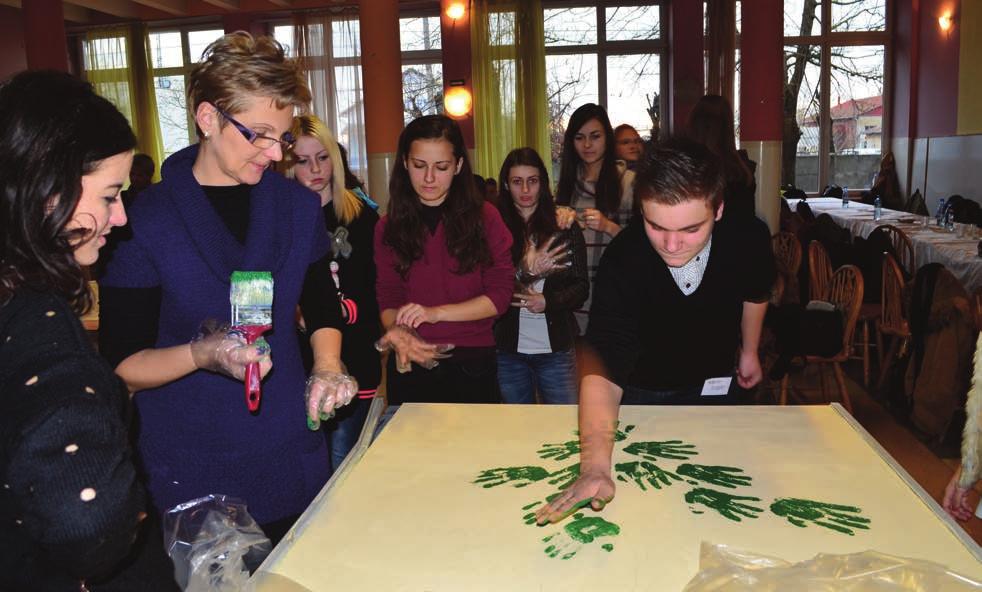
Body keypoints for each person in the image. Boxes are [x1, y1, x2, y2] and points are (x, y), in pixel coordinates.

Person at [99, 32, 356, 544]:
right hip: (192, 466)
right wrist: (201, 355)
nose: (273, 153)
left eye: (282, 137)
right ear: (208, 118)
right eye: (257, 133)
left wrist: (327, 367)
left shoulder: (296, 207)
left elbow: (322, 305)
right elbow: (122, 364)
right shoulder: (143, 221)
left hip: (289, 449)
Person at [536, 139, 776, 524]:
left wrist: (748, 349)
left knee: (716, 504)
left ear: (719, 208)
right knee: (651, 515)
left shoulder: (747, 238)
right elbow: (605, 362)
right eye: (656, 225)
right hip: (642, 390)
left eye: (691, 229)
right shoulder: (626, 257)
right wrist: (595, 466)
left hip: (715, 383)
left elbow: (755, 291)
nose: (672, 244)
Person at [0, 70, 177, 590]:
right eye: (108, 195)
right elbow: (88, 519)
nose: (119, 217)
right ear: (48, 194)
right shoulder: (38, 325)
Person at [374, 114, 514, 404]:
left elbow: (500, 296)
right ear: (404, 163)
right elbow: (388, 298)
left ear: (459, 166)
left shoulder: (486, 218)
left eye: (441, 167)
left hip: (472, 361)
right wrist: (398, 330)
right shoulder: (387, 226)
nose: (428, 178)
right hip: (410, 360)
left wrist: (435, 313)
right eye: (419, 165)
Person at [287, 114, 381, 473]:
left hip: (357, 356)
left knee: (346, 465)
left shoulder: (362, 216)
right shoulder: (284, 217)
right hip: (298, 358)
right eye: (302, 160)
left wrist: (341, 311)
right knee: (310, 462)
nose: (315, 169)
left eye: (323, 157)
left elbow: (376, 290)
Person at [494, 148, 588, 404]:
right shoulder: (494, 227)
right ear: (506, 184)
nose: (525, 190)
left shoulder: (563, 225)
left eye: (532, 181)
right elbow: (488, 289)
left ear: (543, 183)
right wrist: (524, 271)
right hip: (508, 349)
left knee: (563, 427)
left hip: (556, 348)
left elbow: (581, 287)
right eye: (517, 182)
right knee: (515, 430)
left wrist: (548, 301)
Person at [555, 103, 635, 332]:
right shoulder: (567, 186)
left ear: (607, 138)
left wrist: (608, 226)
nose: (587, 145)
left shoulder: (629, 183)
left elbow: (643, 247)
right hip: (572, 300)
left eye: (595, 136)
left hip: (614, 297)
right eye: (580, 137)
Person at [685, 94, 757, 222]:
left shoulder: (688, 169)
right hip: (746, 238)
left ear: (694, 125)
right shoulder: (742, 169)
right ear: (728, 127)